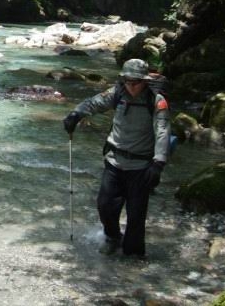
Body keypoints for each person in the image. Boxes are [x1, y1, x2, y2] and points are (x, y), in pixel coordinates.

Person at [62, 58, 170, 258]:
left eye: (135, 82)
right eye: (127, 81)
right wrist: (76, 114)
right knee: (105, 206)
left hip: (141, 166)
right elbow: (94, 103)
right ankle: (112, 237)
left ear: (145, 81)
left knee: (136, 216)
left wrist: (159, 163)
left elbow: (163, 131)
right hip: (114, 162)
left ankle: (133, 258)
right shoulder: (117, 93)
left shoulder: (156, 101)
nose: (131, 86)